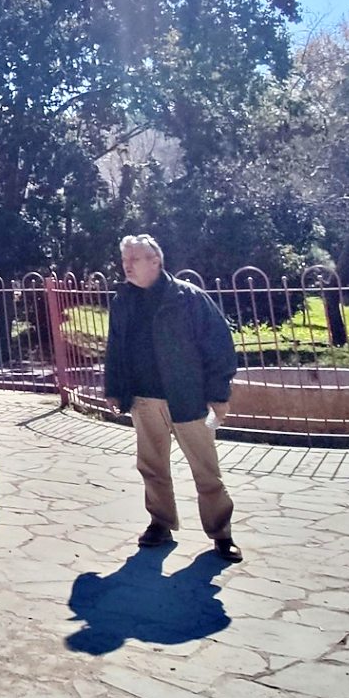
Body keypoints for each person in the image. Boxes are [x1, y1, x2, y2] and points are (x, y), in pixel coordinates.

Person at [104, 234, 242, 563]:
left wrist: (219, 394)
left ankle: (221, 533)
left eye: (134, 259)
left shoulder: (187, 297)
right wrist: (113, 388)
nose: (127, 266)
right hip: (143, 399)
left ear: (155, 261)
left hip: (187, 397)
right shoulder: (123, 300)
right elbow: (115, 346)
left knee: (205, 470)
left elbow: (219, 346)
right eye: (124, 260)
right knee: (151, 467)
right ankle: (160, 523)